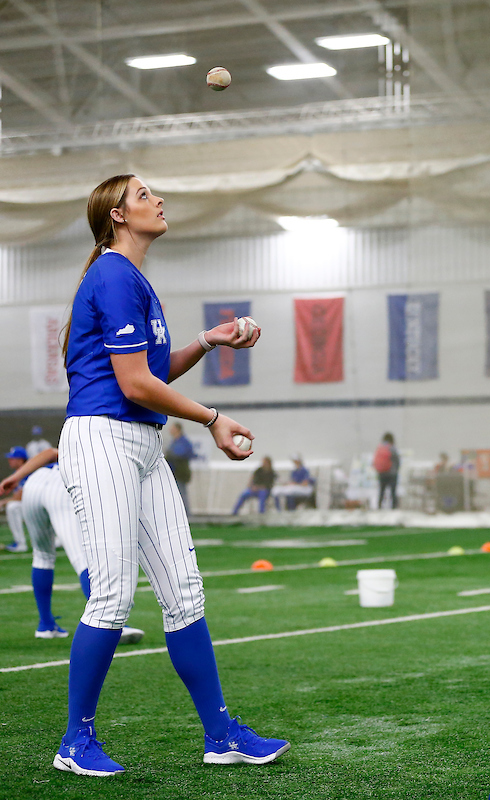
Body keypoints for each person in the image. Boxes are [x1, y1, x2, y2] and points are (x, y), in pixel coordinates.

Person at [54, 174, 288, 777]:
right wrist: (212, 417)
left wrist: (207, 342)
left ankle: (220, 734)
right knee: (112, 595)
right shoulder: (111, 273)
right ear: (116, 217)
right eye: (142, 195)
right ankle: (74, 742)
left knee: (184, 591)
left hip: (139, 441)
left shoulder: (132, 280)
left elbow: (152, 373)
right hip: (102, 437)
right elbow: (134, 385)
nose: (157, 200)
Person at [0, 447, 144, 645]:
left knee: (42, 555)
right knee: (82, 559)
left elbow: (50, 452)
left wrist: (16, 477)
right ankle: (112, 624)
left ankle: (46, 625)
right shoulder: (106, 444)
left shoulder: (77, 433)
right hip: (61, 486)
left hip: (34, 483)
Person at [164, 422, 198, 514]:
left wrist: (169, 455)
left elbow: (183, 454)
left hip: (180, 472)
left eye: (172, 428)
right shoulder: (174, 441)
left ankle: (186, 514)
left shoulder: (183, 441)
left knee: (181, 493)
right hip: (173, 472)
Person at [3, 446, 29, 553]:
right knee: (12, 506)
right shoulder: (17, 474)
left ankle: (20, 543)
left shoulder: (28, 472)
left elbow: (22, 496)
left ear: (20, 460)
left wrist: (3, 502)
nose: (10, 460)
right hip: (28, 505)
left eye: (12, 458)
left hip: (38, 505)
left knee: (12, 507)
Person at [374, 433, 401, 509]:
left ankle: (379, 505)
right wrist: (396, 470)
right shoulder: (392, 448)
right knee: (393, 491)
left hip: (381, 473)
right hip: (392, 473)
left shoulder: (380, 447)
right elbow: (397, 461)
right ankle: (394, 507)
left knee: (382, 490)